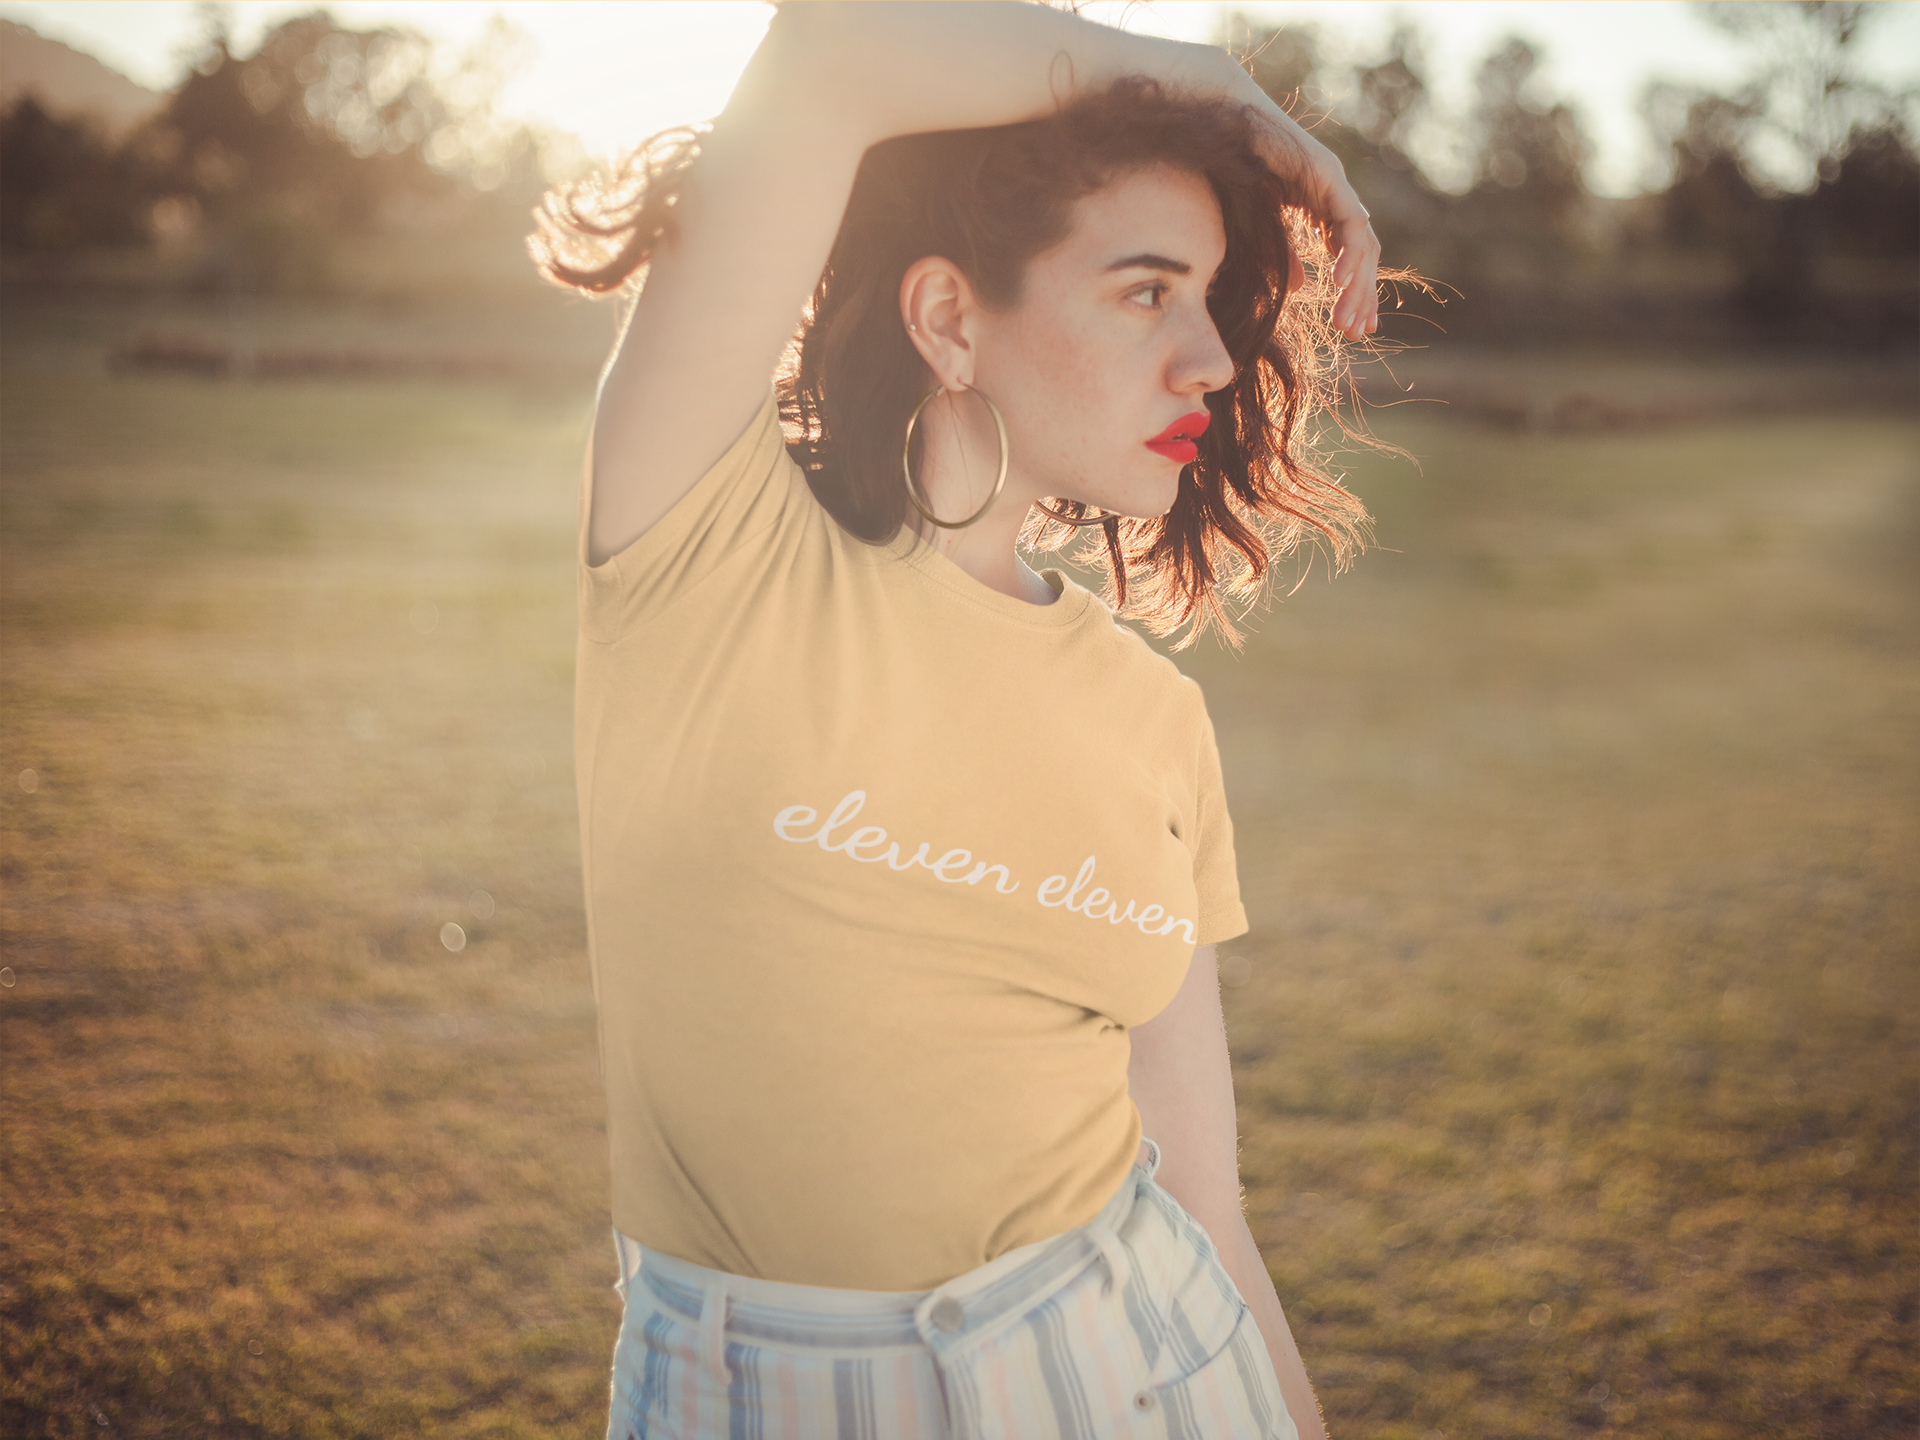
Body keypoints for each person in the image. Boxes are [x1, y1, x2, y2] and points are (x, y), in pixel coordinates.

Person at [529, 3, 1381, 1436]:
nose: (1214, 363)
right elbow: (828, 53)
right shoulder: (705, 548)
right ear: (948, 318)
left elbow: (1207, 1204)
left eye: (1211, 301)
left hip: (1146, 1367)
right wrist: (1214, 85)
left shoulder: (1153, 718)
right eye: (1144, 291)